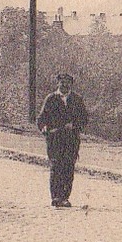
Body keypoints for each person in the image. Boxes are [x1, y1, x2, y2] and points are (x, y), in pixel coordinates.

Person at [37, 72, 88, 208]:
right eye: (62, 82)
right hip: (55, 139)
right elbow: (41, 119)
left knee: (68, 168)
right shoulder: (51, 99)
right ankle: (55, 197)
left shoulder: (77, 99)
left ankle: (65, 197)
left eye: (68, 83)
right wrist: (44, 128)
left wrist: (74, 125)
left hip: (71, 140)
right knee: (55, 167)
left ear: (71, 84)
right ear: (58, 83)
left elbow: (84, 119)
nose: (65, 85)